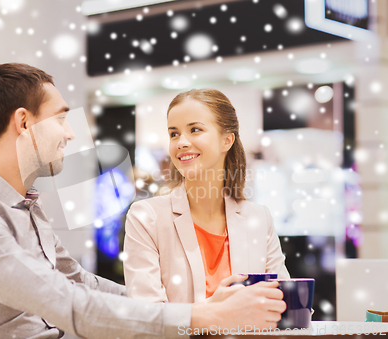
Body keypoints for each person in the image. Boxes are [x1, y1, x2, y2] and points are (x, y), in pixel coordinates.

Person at [0, 64, 286, 339]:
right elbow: (70, 305)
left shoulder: (24, 207)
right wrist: (204, 317)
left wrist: (191, 308)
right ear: (24, 123)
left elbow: (81, 284)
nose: (71, 134)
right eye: (61, 119)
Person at [124, 88, 290, 304]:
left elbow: (282, 303)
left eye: (195, 129)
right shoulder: (146, 218)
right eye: (174, 133)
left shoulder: (258, 218)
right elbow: (148, 319)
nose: (181, 142)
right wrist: (214, 310)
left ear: (226, 141)